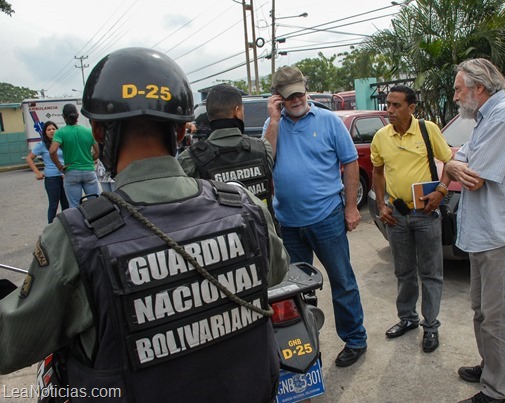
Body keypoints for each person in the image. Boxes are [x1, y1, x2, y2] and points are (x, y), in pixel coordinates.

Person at [0, 47, 289, 403]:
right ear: (184, 130)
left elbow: (8, 345)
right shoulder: (241, 204)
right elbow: (275, 273)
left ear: (98, 132)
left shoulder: (75, 237)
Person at [445, 58, 505, 403]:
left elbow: (472, 176)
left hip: (502, 235)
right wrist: (455, 163)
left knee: (498, 319)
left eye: (458, 89)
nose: (455, 96)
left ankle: (500, 392)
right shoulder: (486, 118)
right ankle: (491, 369)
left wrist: (452, 166)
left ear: (478, 88)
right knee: (483, 311)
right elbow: (460, 157)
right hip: (485, 233)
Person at [263, 65, 368, 367]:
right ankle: (307, 344)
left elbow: (350, 163)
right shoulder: (274, 126)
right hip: (289, 223)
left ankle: (355, 339)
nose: (296, 99)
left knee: (341, 281)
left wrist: (350, 207)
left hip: (327, 218)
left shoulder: (328, 121)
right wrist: (273, 120)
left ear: (306, 89)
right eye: (288, 96)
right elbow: (265, 161)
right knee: (296, 292)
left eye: (299, 92)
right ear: (278, 98)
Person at [370, 85, 452, 353]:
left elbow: (450, 163)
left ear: (412, 107)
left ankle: (431, 327)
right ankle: (407, 319)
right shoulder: (381, 137)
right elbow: (378, 172)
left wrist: (441, 190)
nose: (390, 110)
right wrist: (381, 205)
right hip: (396, 216)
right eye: (388, 104)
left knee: (431, 274)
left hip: (426, 214)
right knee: (403, 273)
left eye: (396, 105)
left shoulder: (428, 130)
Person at [178, 83, 275, 218]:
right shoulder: (263, 148)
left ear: (209, 116)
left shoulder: (189, 159)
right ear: (237, 111)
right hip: (262, 235)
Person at [49, 103, 101, 207]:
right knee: (96, 204)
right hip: (88, 171)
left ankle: (78, 223)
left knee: (74, 206)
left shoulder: (60, 133)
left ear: (63, 117)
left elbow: (52, 151)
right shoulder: (88, 131)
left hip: (71, 171)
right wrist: (90, 159)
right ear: (77, 115)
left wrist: (59, 166)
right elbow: (98, 152)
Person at [25, 121, 69, 223]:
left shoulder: (62, 143)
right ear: (45, 132)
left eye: (53, 129)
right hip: (52, 179)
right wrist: (37, 172)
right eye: (48, 130)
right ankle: (51, 228)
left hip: (65, 177)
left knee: (66, 205)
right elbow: (29, 158)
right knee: (53, 205)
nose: (51, 131)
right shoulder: (42, 145)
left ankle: (67, 228)